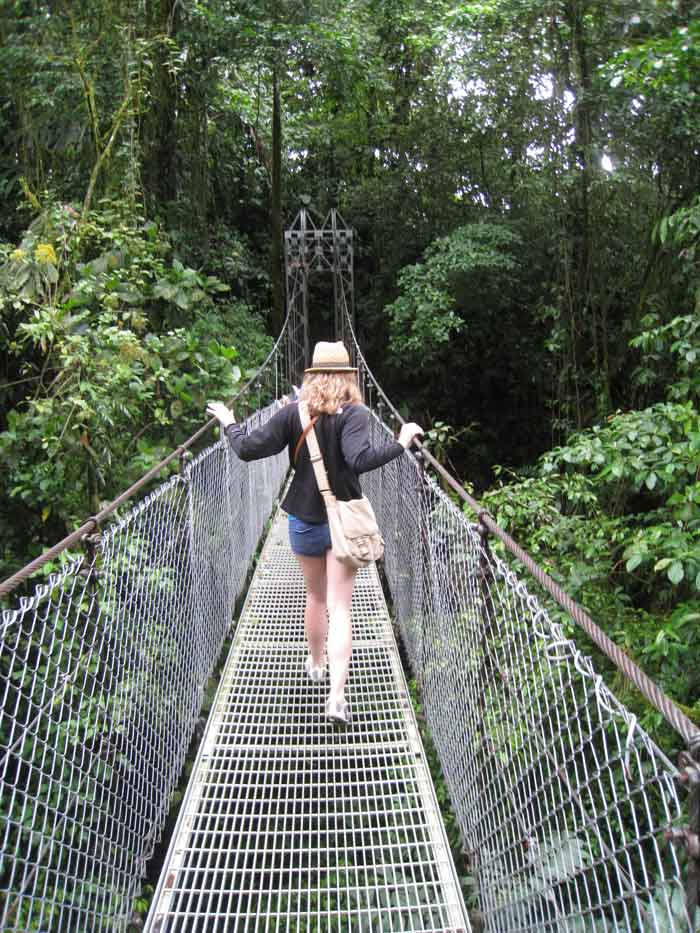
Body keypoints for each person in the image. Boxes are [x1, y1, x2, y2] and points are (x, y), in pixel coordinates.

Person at [206, 341, 423, 726]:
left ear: (311, 377)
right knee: (341, 607)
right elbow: (361, 460)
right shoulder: (354, 414)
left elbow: (246, 449)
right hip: (345, 524)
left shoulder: (294, 413)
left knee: (314, 595)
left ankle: (317, 663)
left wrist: (228, 420)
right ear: (348, 377)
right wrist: (401, 442)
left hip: (302, 519)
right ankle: (336, 698)